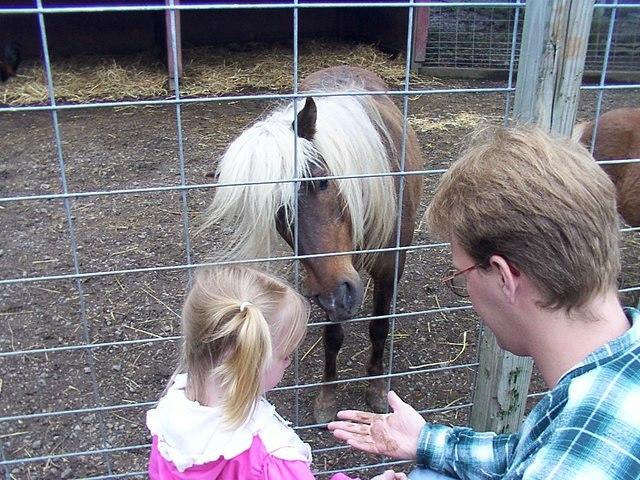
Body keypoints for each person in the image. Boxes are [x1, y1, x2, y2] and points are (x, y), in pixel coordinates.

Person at [328, 125, 640, 479]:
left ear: (504, 277)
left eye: (462, 276)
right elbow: (528, 451)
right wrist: (426, 440)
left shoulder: (567, 467)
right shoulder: (615, 365)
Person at [147, 265, 360, 480]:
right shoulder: (274, 458)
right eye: (285, 355)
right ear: (247, 361)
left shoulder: (168, 423)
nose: (288, 363)